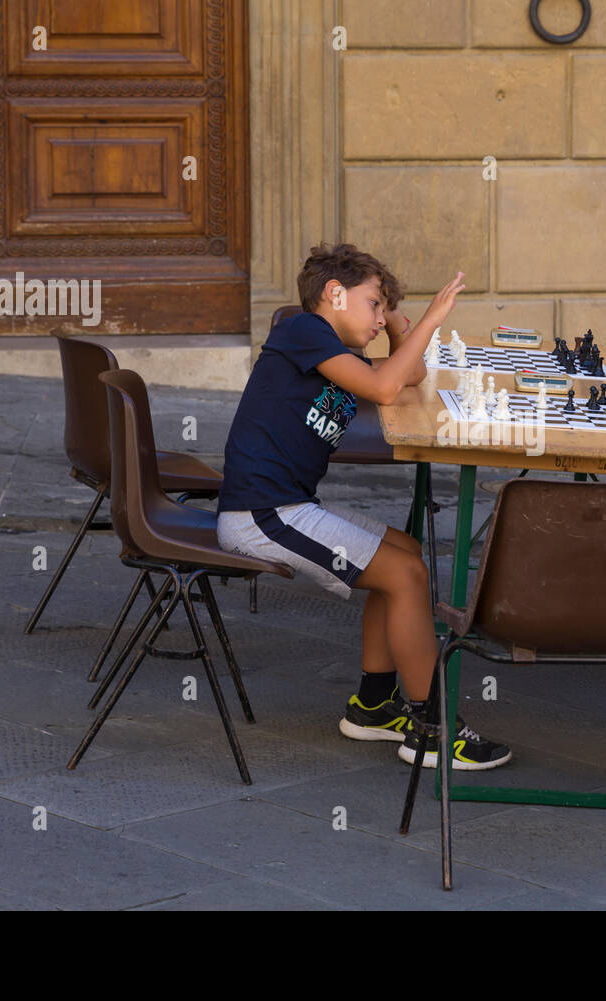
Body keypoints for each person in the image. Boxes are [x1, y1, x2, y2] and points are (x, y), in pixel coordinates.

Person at [217, 242, 511, 770]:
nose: (378, 319)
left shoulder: (331, 352)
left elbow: (408, 377)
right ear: (334, 295)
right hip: (263, 516)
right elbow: (384, 385)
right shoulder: (304, 331)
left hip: (286, 508)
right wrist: (431, 319)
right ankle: (433, 728)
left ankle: (374, 705)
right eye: (373, 304)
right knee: (404, 575)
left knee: (401, 551)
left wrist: (399, 319)